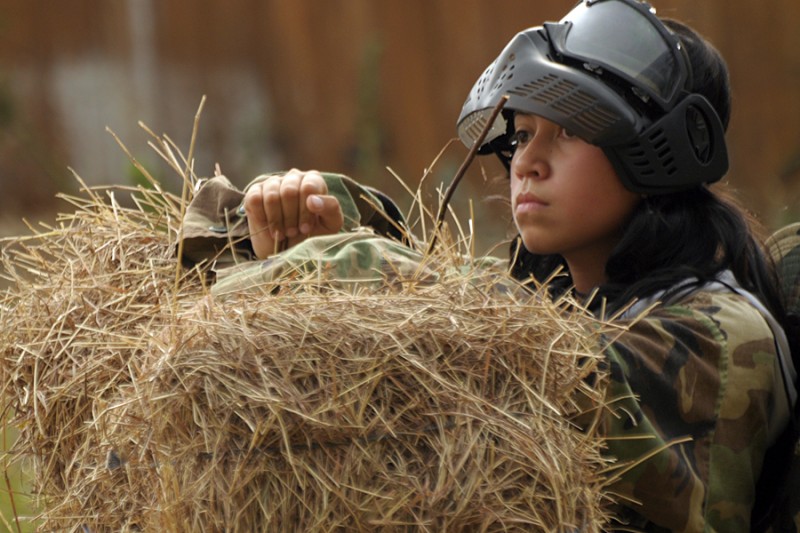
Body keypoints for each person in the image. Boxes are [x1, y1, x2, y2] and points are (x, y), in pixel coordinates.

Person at [180, 0, 800, 530]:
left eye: (569, 132)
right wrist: (303, 235)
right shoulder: (577, 299)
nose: (527, 161)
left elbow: (516, 352)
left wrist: (346, 265)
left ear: (654, 153)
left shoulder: (717, 334)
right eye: (523, 132)